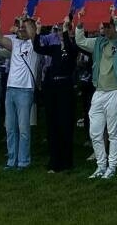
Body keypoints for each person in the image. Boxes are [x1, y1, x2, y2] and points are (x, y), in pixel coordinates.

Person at [75, 7, 117, 179]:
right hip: (99, 91)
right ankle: (101, 165)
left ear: (114, 26)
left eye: (109, 26)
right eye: (104, 26)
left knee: (113, 132)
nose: (106, 29)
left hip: (115, 91)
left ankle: (112, 166)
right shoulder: (99, 42)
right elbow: (80, 41)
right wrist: (80, 23)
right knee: (95, 131)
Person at [0, 14, 39, 170]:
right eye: (20, 26)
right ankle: (12, 159)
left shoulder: (34, 44)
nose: (21, 28)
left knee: (24, 128)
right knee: (11, 128)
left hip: (25, 90)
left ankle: (24, 161)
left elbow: (33, 33)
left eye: (24, 26)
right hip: (11, 89)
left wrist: (26, 21)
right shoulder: (15, 42)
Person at [33, 15, 79, 172]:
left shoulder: (73, 46)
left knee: (65, 124)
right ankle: (54, 161)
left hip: (65, 87)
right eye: (57, 29)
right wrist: (38, 31)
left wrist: (66, 31)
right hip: (51, 86)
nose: (59, 32)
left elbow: (70, 50)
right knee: (52, 125)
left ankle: (66, 161)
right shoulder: (54, 48)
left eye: (62, 29)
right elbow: (38, 48)